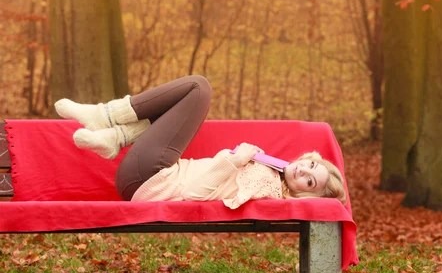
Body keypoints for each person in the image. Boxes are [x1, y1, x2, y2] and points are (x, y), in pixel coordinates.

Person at [54, 75, 346, 209]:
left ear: (307, 195)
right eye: (310, 165)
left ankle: (104, 116)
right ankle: (115, 136)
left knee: (198, 88)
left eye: (310, 182)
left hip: (153, 180)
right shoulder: (274, 172)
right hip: (151, 176)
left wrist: (235, 161)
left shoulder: (267, 187)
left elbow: (194, 195)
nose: (303, 171)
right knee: (182, 108)